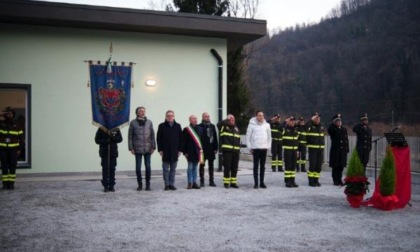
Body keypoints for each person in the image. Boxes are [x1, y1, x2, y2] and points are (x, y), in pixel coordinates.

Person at [128, 106, 156, 191]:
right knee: (138, 167)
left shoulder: (149, 122)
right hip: (137, 148)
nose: (143, 112)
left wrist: (153, 146)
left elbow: (152, 135)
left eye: (144, 111)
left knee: (148, 167)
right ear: (137, 113)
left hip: (148, 148)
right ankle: (140, 185)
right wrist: (131, 147)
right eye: (140, 111)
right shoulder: (133, 123)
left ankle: (148, 185)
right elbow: (130, 136)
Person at [157, 110, 182, 191]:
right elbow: (158, 139)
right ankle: (166, 184)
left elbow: (181, 139)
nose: (170, 117)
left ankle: (172, 184)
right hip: (165, 151)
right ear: (166, 117)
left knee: (173, 169)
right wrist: (160, 150)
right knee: (165, 169)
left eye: (171, 115)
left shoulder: (178, 126)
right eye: (168, 115)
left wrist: (180, 150)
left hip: (175, 151)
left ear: (174, 116)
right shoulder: (161, 126)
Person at [0, 107, 24, 190]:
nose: (9, 114)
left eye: (10, 113)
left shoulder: (17, 124)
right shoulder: (1, 123)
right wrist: (2, 114)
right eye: (7, 113)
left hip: (14, 150)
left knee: (13, 166)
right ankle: (5, 185)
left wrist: (19, 149)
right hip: (3, 150)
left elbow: (21, 138)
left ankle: (11, 184)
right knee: (4, 167)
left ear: (13, 115)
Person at [246, 111, 271, 189]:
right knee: (256, 166)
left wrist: (268, 146)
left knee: (263, 166)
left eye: (262, 115)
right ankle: (256, 183)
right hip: (255, 148)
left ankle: (262, 182)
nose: (261, 117)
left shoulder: (267, 125)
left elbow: (269, 137)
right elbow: (248, 137)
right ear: (256, 116)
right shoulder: (251, 125)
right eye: (259, 115)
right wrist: (249, 147)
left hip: (264, 148)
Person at [95, 127, 123, 192]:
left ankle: (111, 185)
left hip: (113, 152)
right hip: (104, 152)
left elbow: (120, 139)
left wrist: (112, 138)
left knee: (112, 168)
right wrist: (105, 140)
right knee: (105, 169)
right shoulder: (101, 129)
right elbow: (97, 140)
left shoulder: (116, 129)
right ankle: (105, 186)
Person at [219, 114, 241, 188]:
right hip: (227, 151)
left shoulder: (236, 128)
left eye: (233, 119)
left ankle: (233, 183)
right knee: (227, 167)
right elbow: (218, 124)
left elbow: (238, 139)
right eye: (230, 119)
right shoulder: (224, 127)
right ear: (228, 120)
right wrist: (226, 119)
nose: (232, 120)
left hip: (236, 151)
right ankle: (226, 183)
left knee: (234, 167)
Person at [327, 114, 349, 186]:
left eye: (340, 121)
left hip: (342, 151)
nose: (339, 122)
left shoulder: (343, 129)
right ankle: (335, 180)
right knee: (335, 167)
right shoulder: (333, 129)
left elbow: (346, 140)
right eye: (337, 121)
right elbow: (329, 130)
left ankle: (340, 180)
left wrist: (347, 149)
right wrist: (333, 122)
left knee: (341, 166)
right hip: (336, 151)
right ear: (335, 122)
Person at [182, 115, 203, 189]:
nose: (195, 119)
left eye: (196, 118)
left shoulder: (200, 129)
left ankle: (194, 182)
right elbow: (183, 142)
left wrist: (202, 150)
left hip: (197, 151)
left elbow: (201, 141)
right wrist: (184, 152)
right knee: (190, 168)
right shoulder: (186, 129)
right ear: (190, 120)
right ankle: (190, 183)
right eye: (194, 118)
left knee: (195, 168)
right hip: (189, 151)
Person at [198, 112, 218, 187]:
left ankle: (211, 181)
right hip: (202, 150)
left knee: (211, 166)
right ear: (202, 117)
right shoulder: (199, 126)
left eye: (208, 116)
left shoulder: (212, 126)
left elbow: (215, 138)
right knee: (201, 165)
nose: (207, 117)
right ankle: (202, 181)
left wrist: (216, 148)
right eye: (206, 116)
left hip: (211, 149)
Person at [305, 112, 325, 187]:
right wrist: (310, 120)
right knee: (312, 165)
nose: (318, 119)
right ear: (313, 118)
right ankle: (311, 181)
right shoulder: (310, 125)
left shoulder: (321, 126)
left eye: (318, 117)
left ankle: (316, 180)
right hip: (312, 149)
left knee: (318, 166)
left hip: (320, 149)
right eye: (316, 117)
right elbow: (304, 128)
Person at [282, 116, 300, 188]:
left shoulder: (296, 130)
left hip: (294, 151)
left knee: (293, 166)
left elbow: (297, 141)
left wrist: (298, 151)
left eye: (293, 121)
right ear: (288, 121)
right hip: (287, 150)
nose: (293, 122)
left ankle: (293, 181)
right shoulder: (285, 129)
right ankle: (287, 181)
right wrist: (285, 121)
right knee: (288, 166)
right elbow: (279, 128)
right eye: (291, 120)